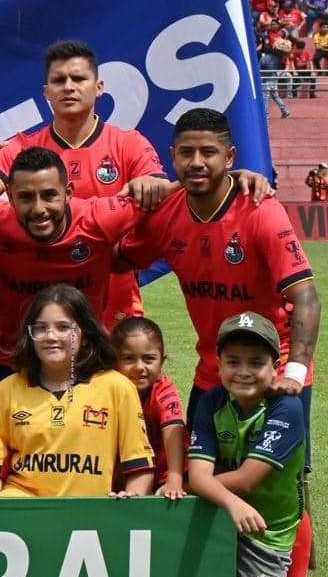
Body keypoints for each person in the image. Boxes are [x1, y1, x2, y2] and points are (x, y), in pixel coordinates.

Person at [0, 41, 176, 324]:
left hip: (112, 314)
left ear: (99, 87)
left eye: (79, 78)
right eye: (59, 80)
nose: (69, 87)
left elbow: (160, 194)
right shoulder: (21, 148)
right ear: (47, 92)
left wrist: (152, 186)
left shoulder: (129, 145)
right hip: (36, 320)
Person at [119, 108, 317, 409]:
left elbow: (306, 297)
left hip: (274, 373)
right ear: (173, 156)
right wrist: (130, 200)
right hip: (213, 374)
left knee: (273, 457)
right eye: (187, 152)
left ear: (229, 157)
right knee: (197, 458)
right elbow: (117, 260)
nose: (196, 162)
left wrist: (294, 373)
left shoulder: (260, 210)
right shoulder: (165, 215)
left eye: (208, 152)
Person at [187, 313, 328, 577]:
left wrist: (209, 490)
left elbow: (247, 479)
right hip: (222, 519)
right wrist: (223, 499)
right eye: (233, 362)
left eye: (256, 362)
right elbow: (196, 476)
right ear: (217, 364)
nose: (244, 371)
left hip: (267, 531)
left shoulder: (286, 407)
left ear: (275, 366)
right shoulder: (212, 402)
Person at [0, 146, 142, 396]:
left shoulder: (100, 218)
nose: (39, 209)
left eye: (49, 195)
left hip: (84, 362)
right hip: (8, 362)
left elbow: (173, 200)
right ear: (10, 197)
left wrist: (154, 185)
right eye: (26, 197)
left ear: (68, 193)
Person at [0, 284, 153, 498]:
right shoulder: (7, 389)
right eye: (40, 328)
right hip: (21, 511)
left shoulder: (118, 388)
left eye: (63, 327)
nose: (51, 336)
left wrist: (130, 503)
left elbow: (140, 467)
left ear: (84, 335)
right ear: (30, 336)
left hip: (88, 516)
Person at [111, 317, 186, 498]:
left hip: (162, 475)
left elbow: (173, 430)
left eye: (149, 359)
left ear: (162, 361)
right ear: (114, 361)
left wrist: (174, 480)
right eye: (129, 358)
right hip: (118, 474)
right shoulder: (108, 387)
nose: (139, 367)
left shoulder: (163, 390)